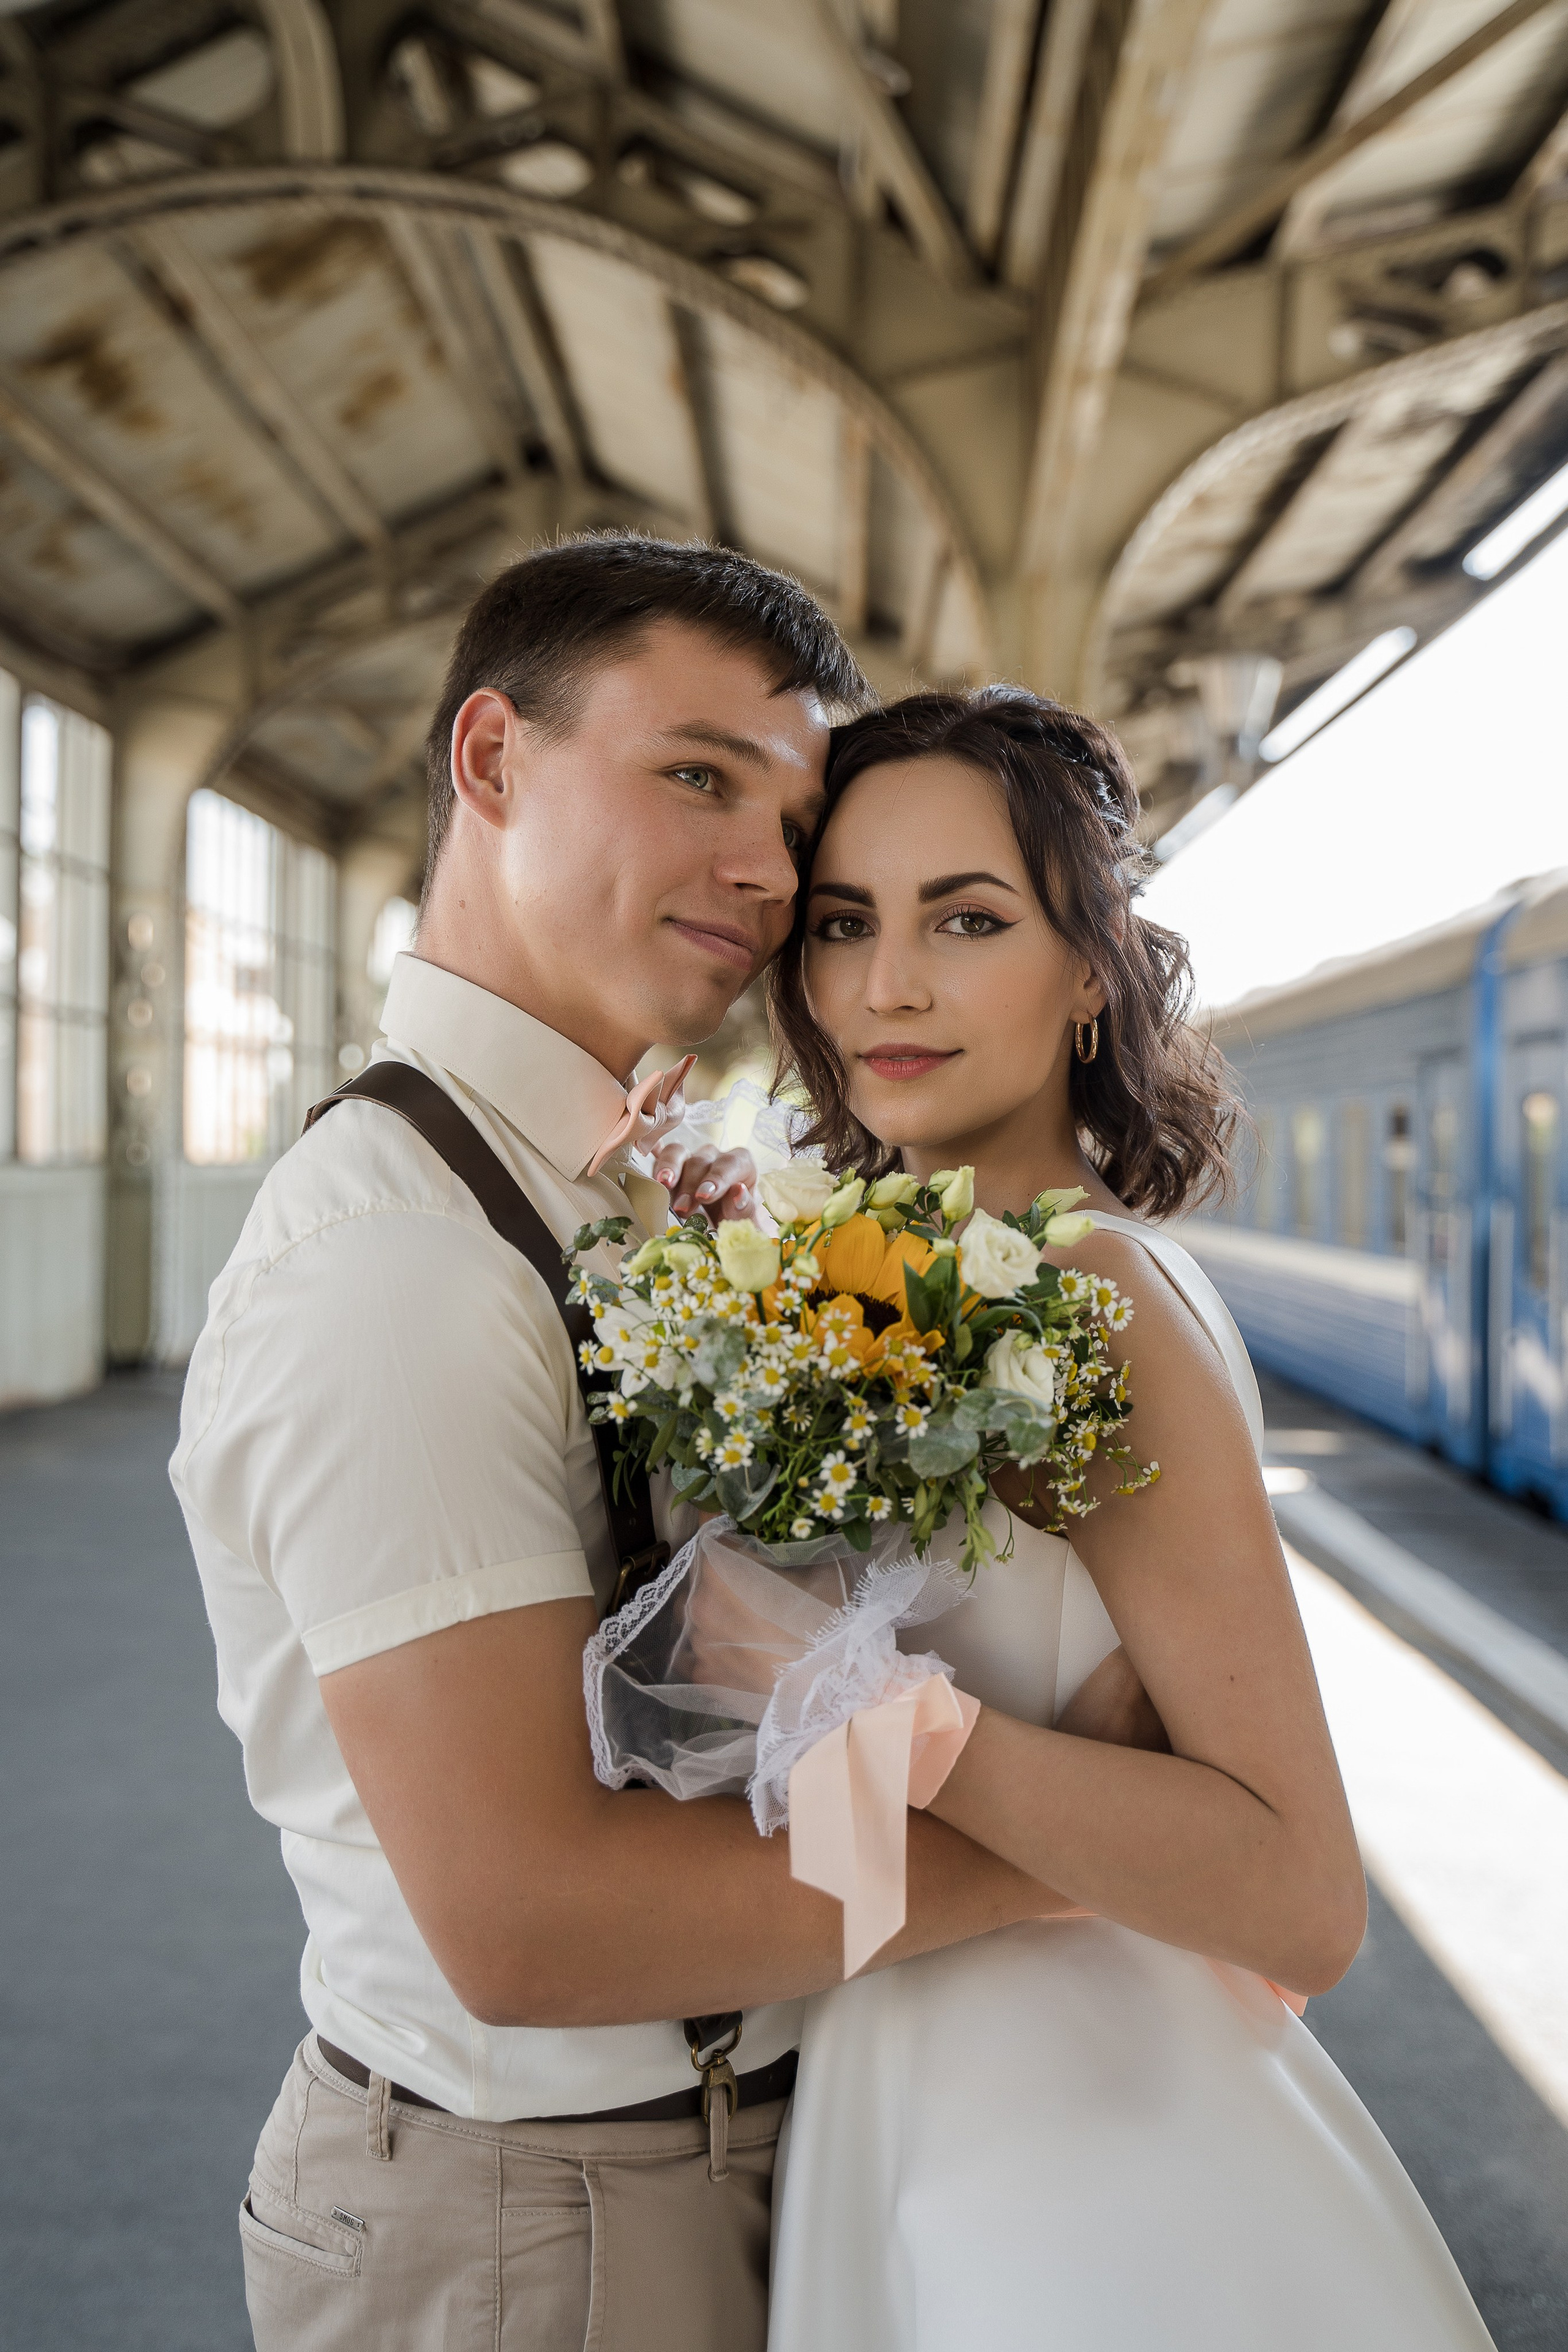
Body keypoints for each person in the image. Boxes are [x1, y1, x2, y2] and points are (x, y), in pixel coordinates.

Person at [170, 541, 1084, 2352]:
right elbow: (533, 1924)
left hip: (692, 2161)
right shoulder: (401, 1261)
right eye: (698, 777)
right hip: (546, 2218)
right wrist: (1094, 1860)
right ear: (493, 760)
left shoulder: (591, 1190)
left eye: (792, 818)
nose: (771, 870)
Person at [753, 687, 1496, 2350]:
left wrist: (892, 1725)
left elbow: (1302, 1895)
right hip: (932, 2075)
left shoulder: (1093, 1301)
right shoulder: (911, 1277)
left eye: (968, 919)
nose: (887, 985)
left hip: (1074, 2154)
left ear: (1091, 966)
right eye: (844, 923)